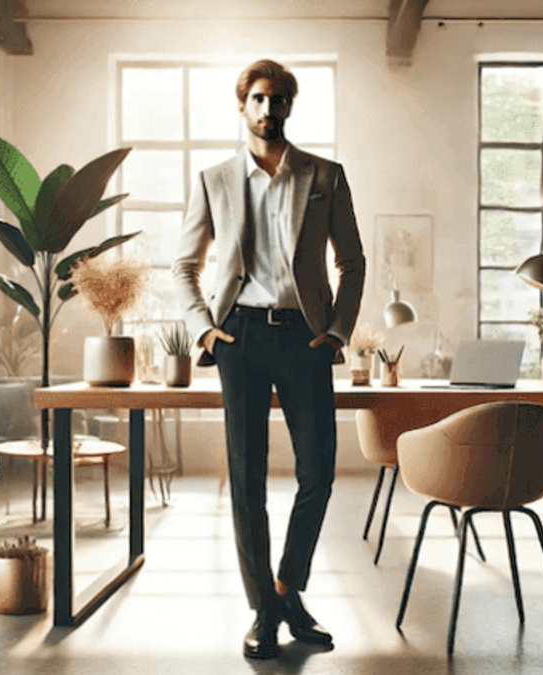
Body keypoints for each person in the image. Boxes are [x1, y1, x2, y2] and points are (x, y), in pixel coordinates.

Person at [172, 59, 365, 660]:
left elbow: (352, 263)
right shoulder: (215, 179)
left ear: (289, 106)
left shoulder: (325, 176)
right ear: (242, 106)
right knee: (247, 477)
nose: (268, 108)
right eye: (258, 98)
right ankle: (263, 611)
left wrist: (337, 333)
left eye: (278, 99)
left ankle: (286, 587)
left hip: (306, 338)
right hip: (242, 338)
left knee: (320, 472)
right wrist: (205, 330)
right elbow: (184, 266)